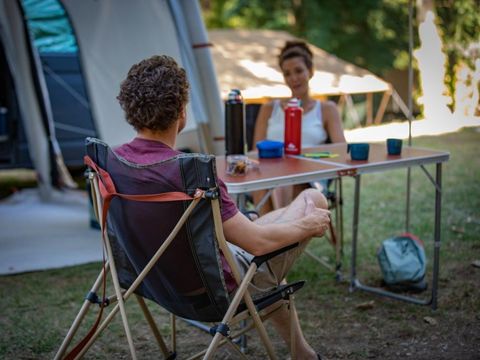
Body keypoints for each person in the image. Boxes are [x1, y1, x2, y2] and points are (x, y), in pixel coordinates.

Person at [115, 55, 330, 359]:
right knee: (314, 202)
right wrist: (309, 225)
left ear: (130, 109)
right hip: (215, 291)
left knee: (261, 241)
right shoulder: (189, 173)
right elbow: (257, 243)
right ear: (181, 112)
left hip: (152, 283)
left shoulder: (113, 162)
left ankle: (303, 355)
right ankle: (304, 355)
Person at [253, 40, 346, 213]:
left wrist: (306, 158)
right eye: (287, 73)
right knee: (262, 186)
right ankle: (278, 237)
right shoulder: (268, 109)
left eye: (298, 71)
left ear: (310, 72)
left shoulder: (326, 109)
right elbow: (254, 152)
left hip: (310, 175)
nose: (293, 78)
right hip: (271, 173)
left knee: (293, 184)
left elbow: (341, 150)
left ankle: (278, 237)